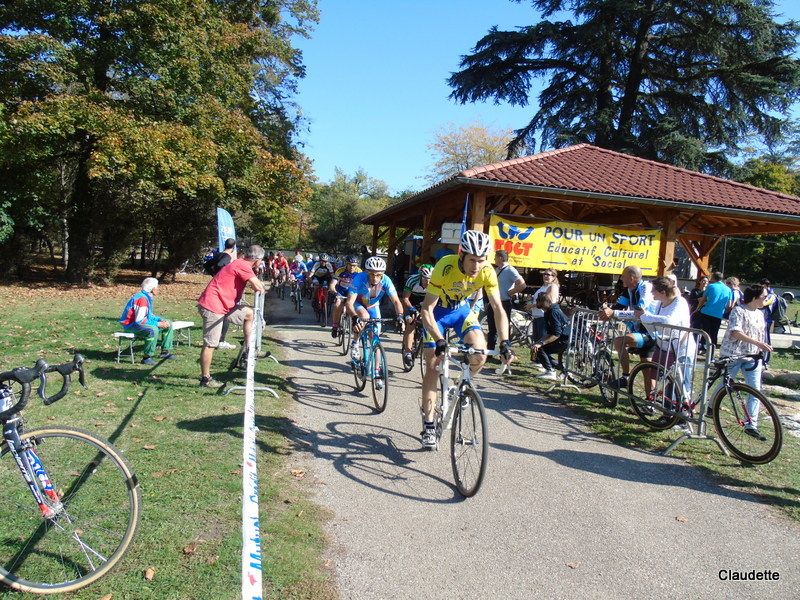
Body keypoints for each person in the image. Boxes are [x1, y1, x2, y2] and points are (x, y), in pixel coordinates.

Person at [419, 230, 511, 448]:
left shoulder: (487, 271)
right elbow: (426, 310)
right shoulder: (445, 265)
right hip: (437, 314)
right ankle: (429, 424)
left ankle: (462, 386)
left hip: (461, 312)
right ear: (461, 255)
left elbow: (498, 308)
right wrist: (439, 340)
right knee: (433, 365)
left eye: (481, 260)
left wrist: (505, 342)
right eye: (472, 260)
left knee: (479, 354)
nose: (476, 266)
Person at [196, 245, 266, 388]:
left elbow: (254, 285)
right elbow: (259, 287)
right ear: (258, 259)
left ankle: (249, 349)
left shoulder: (243, 264)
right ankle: (205, 379)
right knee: (211, 344)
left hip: (225, 305)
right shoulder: (242, 265)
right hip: (213, 305)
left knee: (249, 314)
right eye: (261, 260)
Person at [718, 284, 773, 439]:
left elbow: (760, 333)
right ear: (755, 297)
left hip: (753, 357)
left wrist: (762, 347)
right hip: (733, 355)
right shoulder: (738, 310)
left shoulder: (760, 314)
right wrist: (758, 343)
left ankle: (751, 424)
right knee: (724, 385)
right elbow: (735, 333)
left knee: (755, 390)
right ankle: (710, 407)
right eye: (764, 296)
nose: (766, 299)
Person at [345, 256, 406, 390]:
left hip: (373, 306)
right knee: (364, 317)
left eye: (378, 275)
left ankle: (376, 371)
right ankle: (355, 343)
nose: (375, 278)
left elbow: (396, 301)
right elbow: (349, 303)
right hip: (358, 304)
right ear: (367, 272)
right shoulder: (359, 278)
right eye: (371, 274)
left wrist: (400, 316)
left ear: (382, 274)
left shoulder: (386, 281)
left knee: (375, 339)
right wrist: (355, 317)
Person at [598, 265, 658, 389]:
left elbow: (639, 310)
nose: (621, 279)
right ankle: (649, 404)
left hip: (651, 332)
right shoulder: (629, 290)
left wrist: (613, 313)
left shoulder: (645, 287)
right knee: (646, 370)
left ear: (631, 278)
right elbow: (619, 307)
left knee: (619, 341)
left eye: (623, 276)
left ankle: (625, 377)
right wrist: (606, 311)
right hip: (640, 331)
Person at [119, 277, 175, 365]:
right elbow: (140, 320)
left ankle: (165, 352)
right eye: (157, 287)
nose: (158, 289)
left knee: (169, 323)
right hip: (131, 325)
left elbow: (148, 316)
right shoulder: (142, 299)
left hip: (138, 323)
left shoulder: (146, 297)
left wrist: (160, 320)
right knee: (153, 330)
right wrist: (157, 324)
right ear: (153, 289)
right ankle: (146, 357)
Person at [486, 250, 527, 353]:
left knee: (504, 328)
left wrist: (510, 293)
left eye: (495, 257)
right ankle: (489, 351)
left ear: (500, 258)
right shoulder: (497, 269)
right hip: (494, 302)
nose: (494, 259)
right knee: (492, 328)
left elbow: (522, 285)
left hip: (504, 302)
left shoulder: (510, 270)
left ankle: (505, 352)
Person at [530, 295, 570, 380]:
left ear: (543, 302)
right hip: (562, 338)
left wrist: (541, 343)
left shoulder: (553, 312)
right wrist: (538, 342)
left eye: (538, 301)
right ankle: (565, 370)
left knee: (540, 348)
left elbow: (556, 334)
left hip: (565, 339)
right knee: (538, 347)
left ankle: (551, 371)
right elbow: (549, 333)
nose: (536, 303)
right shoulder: (549, 311)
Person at [400, 264, 433, 368]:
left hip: (425, 302)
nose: (427, 282)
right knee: (411, 323)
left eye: (429, 279)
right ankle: (408, 352)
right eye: (424, 279)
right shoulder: (412, 280)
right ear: (420, 276)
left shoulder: (435, 282)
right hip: (411, 302)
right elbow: (405, 298)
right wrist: (412, 310)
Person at [695, 271, 732, 353]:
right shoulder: (728, 289)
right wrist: (722, 310)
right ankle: (711, 352)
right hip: (718, 314)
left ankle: (702, 348)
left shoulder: (711, 286)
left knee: (705, 332)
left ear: (714, 277)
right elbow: (729, 305)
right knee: (714, 334)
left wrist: (698, 308)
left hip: (706, 312)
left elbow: (703, 299)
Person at [529, 268, 560, 360]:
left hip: (544, 316)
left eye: (548, 274)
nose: (546, 276)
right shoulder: (543, 287)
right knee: (537, 340)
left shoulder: (552, 287)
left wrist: (532, 305)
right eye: (544, 274)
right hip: (537, 315)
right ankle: (539, 360)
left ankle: (546, 364)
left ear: (554, 277)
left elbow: (550, 302)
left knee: (542, 341)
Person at [330, 255, 362, 338]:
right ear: (346, 264)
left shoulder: (359, 272)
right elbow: (332, 284)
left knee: (355, 307)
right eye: (350, 265)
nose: (352, 267)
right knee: (337, 304)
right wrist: (334, 291)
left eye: (354, 265)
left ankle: (353, 322)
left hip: (352, 293)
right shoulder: (340, 271)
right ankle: (335, 326)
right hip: (340, 291)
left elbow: (363, 286)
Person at [759, 278, 778, 366]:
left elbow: (763, 304)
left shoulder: (771, 295)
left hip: (766, 320)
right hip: (761, 319)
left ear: (765, 286)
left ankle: (765, 360)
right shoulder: (766, 294)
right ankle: (760, 358)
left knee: (766, 339)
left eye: (761, 286)